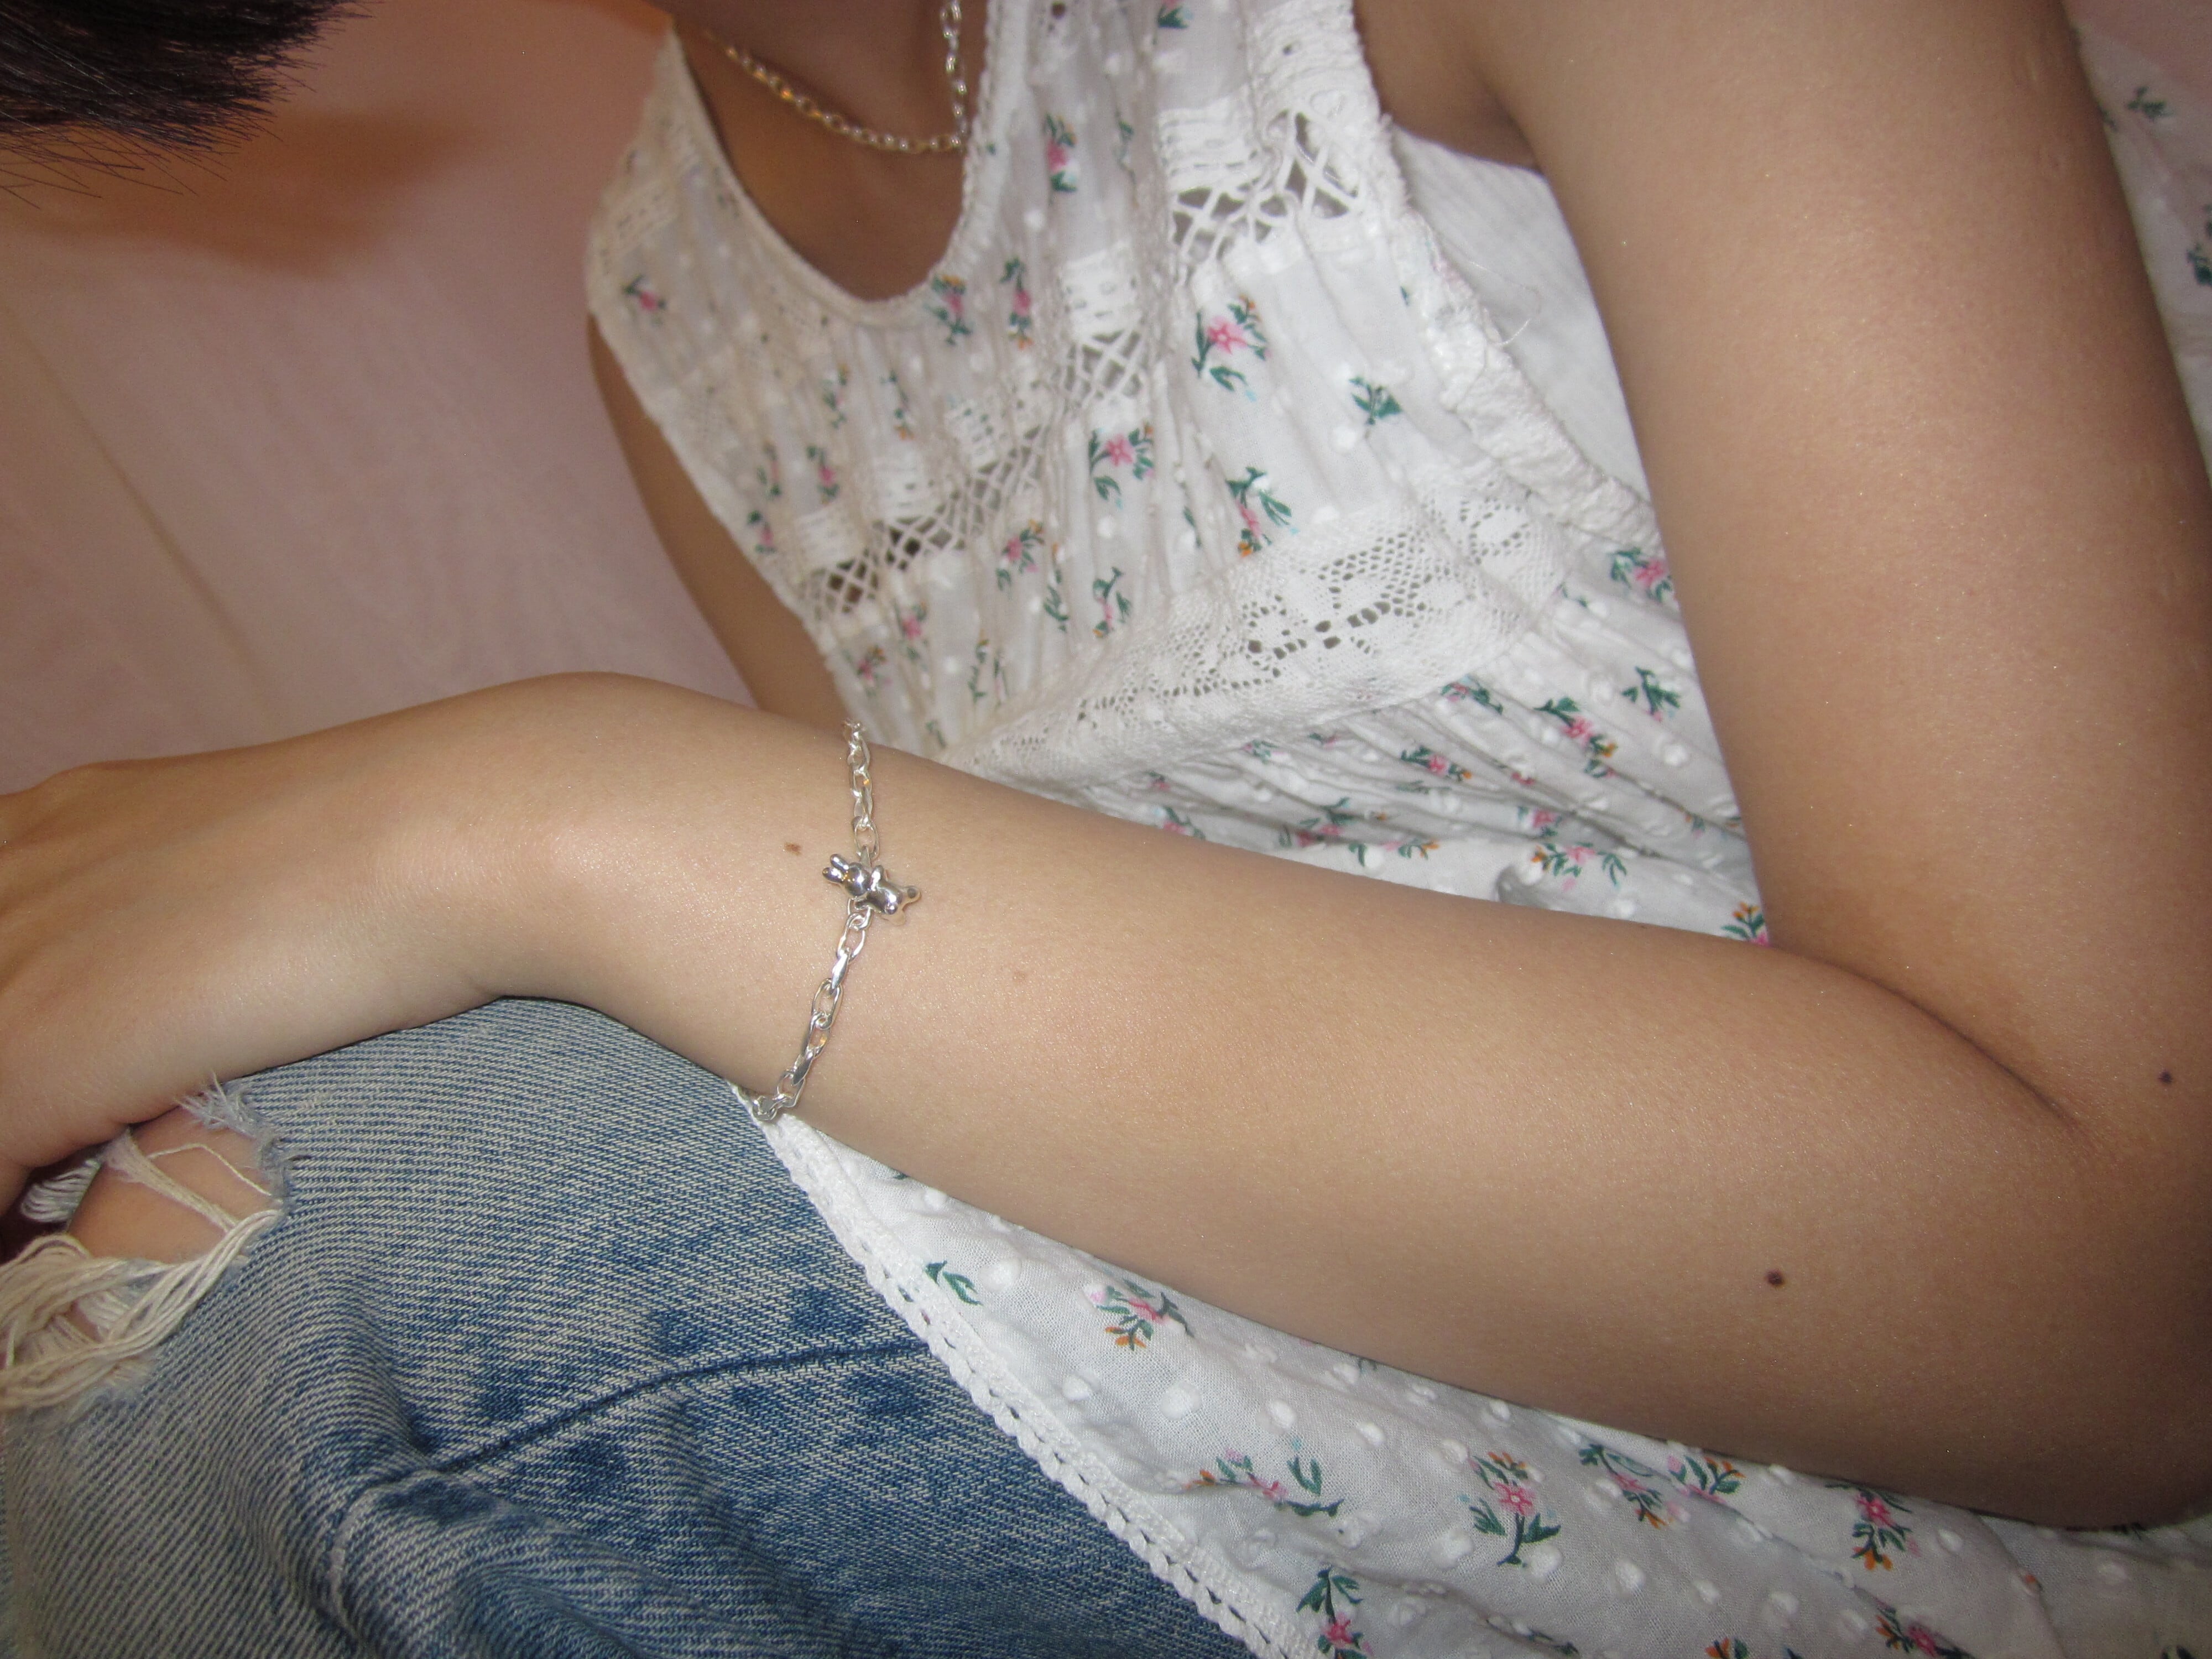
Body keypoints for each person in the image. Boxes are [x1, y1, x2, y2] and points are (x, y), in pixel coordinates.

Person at [3, 1, 2210, 1653]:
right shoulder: (668, 311)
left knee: (361, 1310)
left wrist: (527, 820)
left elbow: (2128, 1307)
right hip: (1424, 1410)